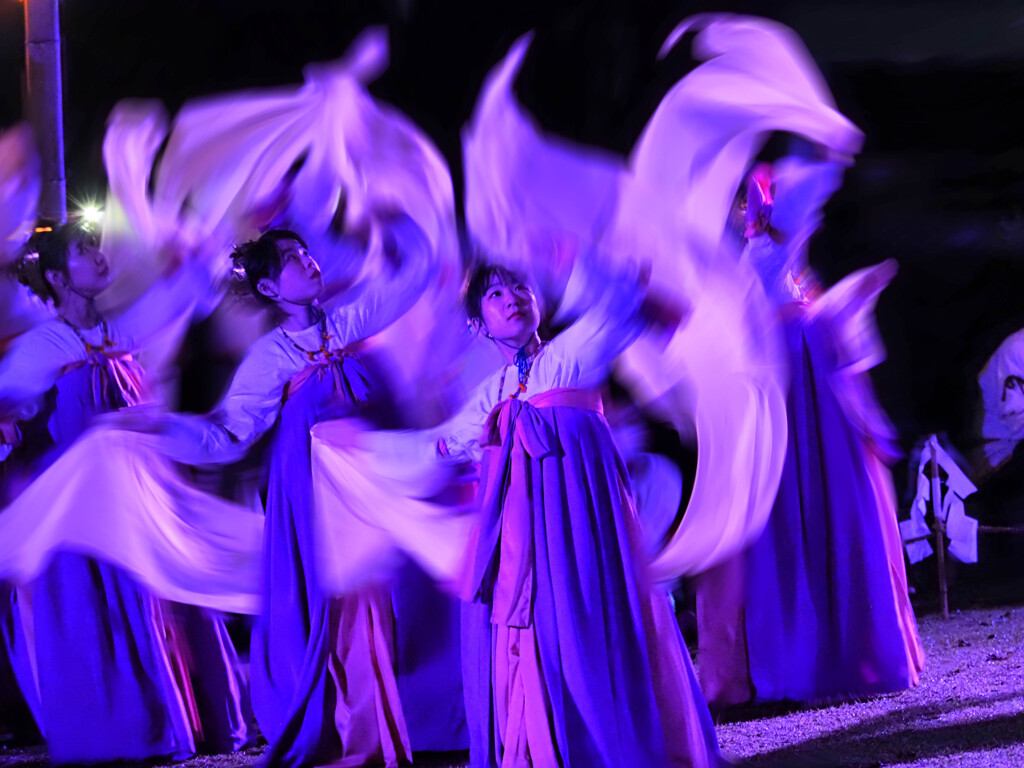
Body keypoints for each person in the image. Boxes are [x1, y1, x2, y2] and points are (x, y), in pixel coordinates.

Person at [313, 248, 722, 768]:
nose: (512, 301)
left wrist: (572, 261)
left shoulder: (576, 351)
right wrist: (360, 447)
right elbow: (437, 448)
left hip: (585, 532)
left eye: (521, 289)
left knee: (597, 626)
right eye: (495, 294)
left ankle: (615, 743)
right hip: (528, 542)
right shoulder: (493, 392)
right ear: (479, 322)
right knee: (540, 637)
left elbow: (623, 302)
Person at [129, 213, 434, 768]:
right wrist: (161, 429)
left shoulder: (348, 319)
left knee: (394, 588)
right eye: (292, 260)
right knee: (334, 597)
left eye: (306, 253)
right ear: (268, 287)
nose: (307, 262)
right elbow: (228, 433)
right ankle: (343, 716)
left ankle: (410, 709)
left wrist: (399, 225)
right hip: (314, 491)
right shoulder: (269, 357)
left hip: (371, 485)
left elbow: (414, 276)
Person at [0, 225, 250, 763]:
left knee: (159, 595)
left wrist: (200, 249)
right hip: (80, 515)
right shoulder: (42, 348)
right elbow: (6, 402)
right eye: (83, 251)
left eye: (97, 245)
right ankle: (117, 733)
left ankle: (179, 720)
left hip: (137, 499)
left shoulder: (120, 330)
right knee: (94, 614)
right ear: (58, 277)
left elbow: (178, 294)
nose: (99, 255)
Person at [697, 156, 924, 708]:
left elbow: (805, 194)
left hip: (811, 389)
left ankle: (843, 650)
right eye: (744, 197)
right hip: (773, 385)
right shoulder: (732, 259)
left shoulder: (789, 260)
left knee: (829, 510)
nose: (756, 204)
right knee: (782, 519)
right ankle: (793, 656)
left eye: (760, 193)